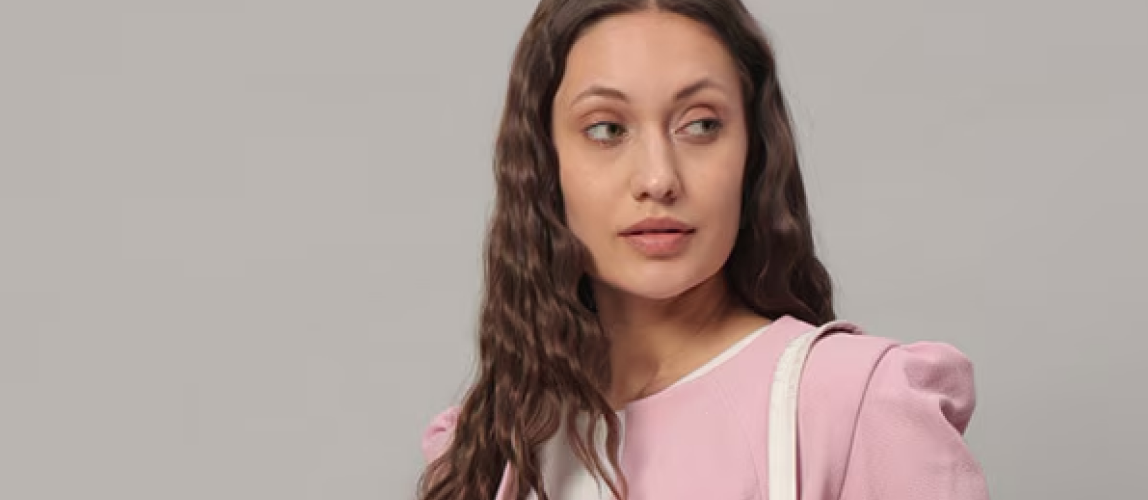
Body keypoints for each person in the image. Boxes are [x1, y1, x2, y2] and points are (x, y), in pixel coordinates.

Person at [417, 1, 988, 499]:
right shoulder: (491, 446)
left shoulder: (858, 406)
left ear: (754, 153)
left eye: (700, 125)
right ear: (544, 162)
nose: (658, 179)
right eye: (607, 129)